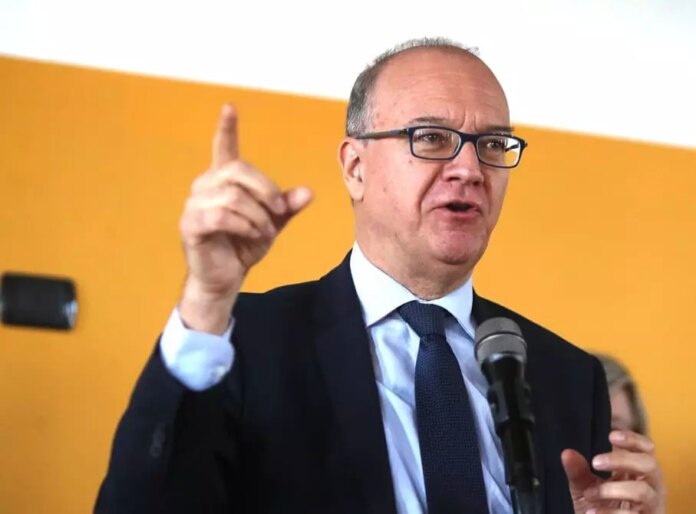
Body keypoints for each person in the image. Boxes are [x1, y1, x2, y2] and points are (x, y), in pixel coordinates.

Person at [95, 38, 664, 514]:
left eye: (492, 144)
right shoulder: (245, 343)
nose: (470, 169)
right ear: (355, 167)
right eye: (431, 138)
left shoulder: (570, 378)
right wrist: (207, 298)